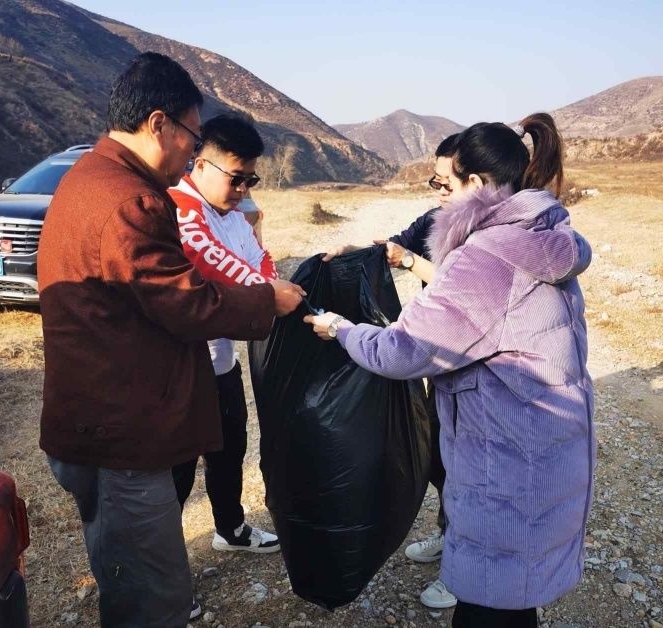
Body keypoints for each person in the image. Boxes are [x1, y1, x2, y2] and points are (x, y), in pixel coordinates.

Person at [38, 52, 304, 628]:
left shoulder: (88, 176)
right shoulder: (130, 199)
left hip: (96, 422)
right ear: (159, 124)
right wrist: (268, 301)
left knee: (124, 573)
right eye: (190, 134)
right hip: (120, 437)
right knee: (153, 599)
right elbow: (182, 301)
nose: (191, 151)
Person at [305, 115, 594, 628]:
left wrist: (341, 329)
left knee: (491, 602)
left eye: (445, 183)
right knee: (511, 596)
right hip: (543, 446)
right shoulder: (541, 235)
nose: (438, 194)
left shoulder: (485, 258)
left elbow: (402, 351)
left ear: (477, 185)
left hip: (506, 458)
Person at [322, 132, 460, 609]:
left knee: (468, 471)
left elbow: (468, 292)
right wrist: (353, 252)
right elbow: (392, 247)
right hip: (443, 362)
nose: (440, 191)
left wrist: (413, 262)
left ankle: (465, 571)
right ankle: (450, 535)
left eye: (448, 182)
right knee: (442, 459)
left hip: (477, 368)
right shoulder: (438, 219)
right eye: (435, 181)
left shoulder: (486, 236)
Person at [168, 114, 281, 560]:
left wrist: (270, 287)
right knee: (178, 468)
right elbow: (210, 260)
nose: (243, 190)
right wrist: (270, 295)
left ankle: (230, 527)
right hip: (184, 365)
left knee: (230, 447)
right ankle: (169, 563)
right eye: (236, 178)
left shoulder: (231, 214)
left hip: (222, 361)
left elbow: (261, 258)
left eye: (250, 179)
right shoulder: (182, 207)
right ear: (201, 164)